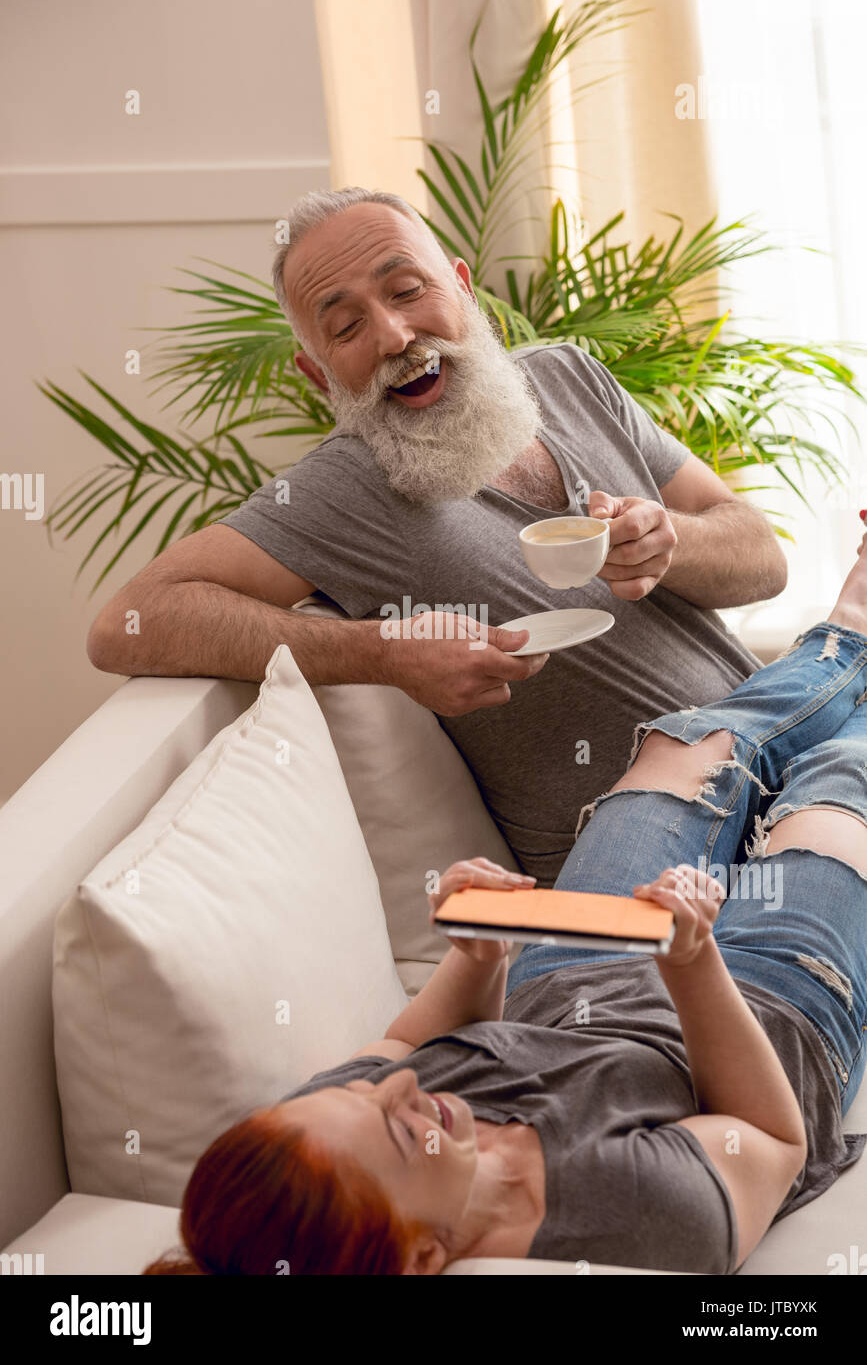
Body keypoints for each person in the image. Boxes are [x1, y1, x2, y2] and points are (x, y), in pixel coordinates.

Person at [144, 536, 867, 1276]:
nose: (401, 1088)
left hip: (575, 965)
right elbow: (767, 1135)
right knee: (842, 781)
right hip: (768, 1000)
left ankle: (849, 628)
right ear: (424, 1256)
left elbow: (399, 1049)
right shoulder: (630, 1218)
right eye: (400, 1127)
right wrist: (690, 965)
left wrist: (476, 952)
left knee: (698, 747)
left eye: (369, 1094)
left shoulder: (326, 1140)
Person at [87, 186, 788, 885]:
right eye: (345, 327)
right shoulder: (346, 486)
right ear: (317, 374)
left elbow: (761, 558)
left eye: (406, 289)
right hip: (656, 861)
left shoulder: (569, 377)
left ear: (461, 288)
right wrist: (385, 651)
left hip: (787, 758)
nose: (394, 336)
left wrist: (671, 544)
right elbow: (127, 623)